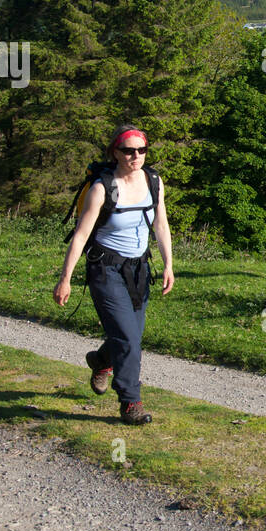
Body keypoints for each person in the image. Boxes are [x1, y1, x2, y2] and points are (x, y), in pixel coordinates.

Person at [53, 126, 175, 424]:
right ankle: (131, 403)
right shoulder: (102, 188)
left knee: (130, 335)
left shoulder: (154, 182)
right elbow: (81, 235)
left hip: (138, 269)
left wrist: (169, 265)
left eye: (141, 150)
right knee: (128, 337)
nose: (136, 156)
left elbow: (161, 224)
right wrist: (65, 278)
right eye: (128, 150)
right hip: (105, 269)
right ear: (115, 153)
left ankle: (100, 361)